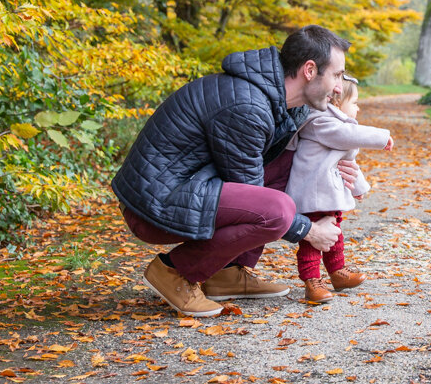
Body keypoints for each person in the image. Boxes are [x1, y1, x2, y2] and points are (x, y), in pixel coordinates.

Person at [112, 26, 356, 317]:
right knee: (276, 209)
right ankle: (174, 272)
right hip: (154, 205)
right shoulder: (247, 104)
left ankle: (227, 272)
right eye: (337, 75)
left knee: (287, 166)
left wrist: (337, 174)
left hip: (189, 187)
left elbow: (287, 165)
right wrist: (309, 230)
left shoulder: (281, 103)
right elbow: (258, 201)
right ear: (309, 70)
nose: (339, 87)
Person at [286, 75, 393, 303]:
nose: (358, 107)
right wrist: (382, 137)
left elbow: (347, 162)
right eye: (354, 102)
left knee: (334, 235)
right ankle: (312, 281)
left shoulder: (334, 125)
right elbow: (349, 136)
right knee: (313, 240)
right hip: (312, 195)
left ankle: (337, 272)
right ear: (336, 102)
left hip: (328, 195)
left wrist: (358, 187)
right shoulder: (320, 121)